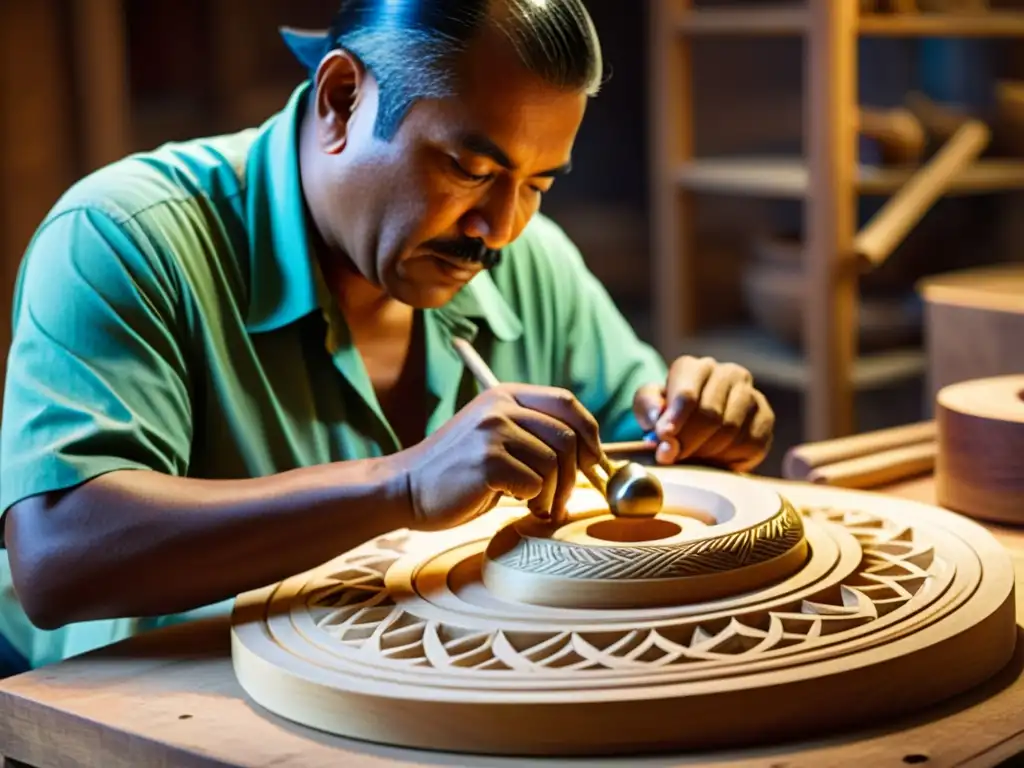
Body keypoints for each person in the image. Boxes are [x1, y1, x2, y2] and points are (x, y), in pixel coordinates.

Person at [0, 0, 774, 676]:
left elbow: (635, 444)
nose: (499, 230)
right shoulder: (125, 238)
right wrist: (400, 485)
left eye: (538, 184)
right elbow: (58, 555)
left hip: (442, 701)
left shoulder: (530, 262)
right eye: (470, 167)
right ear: (341, 99)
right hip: (170, 717)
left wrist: (696, 425)